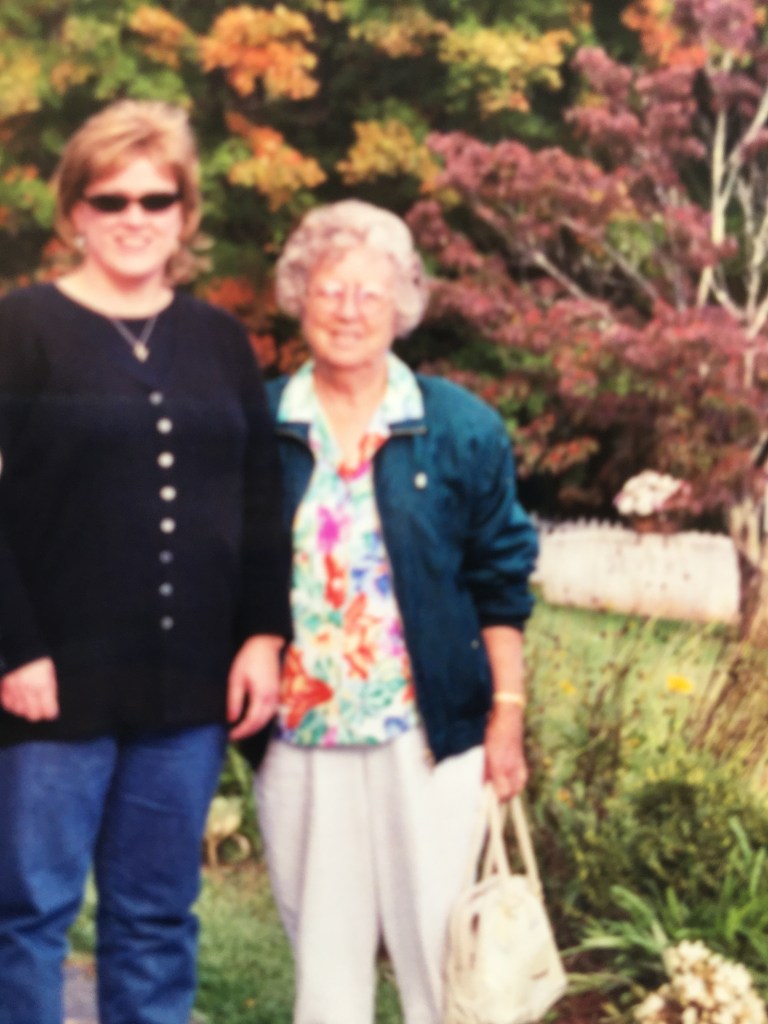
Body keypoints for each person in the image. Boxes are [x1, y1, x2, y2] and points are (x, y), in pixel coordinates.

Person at [0, 100, 291, 1024]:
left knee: (157, 916)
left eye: (156, 199)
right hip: (51, 684)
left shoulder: (219, 340)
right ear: (75, 212)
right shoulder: (21, 328)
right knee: (27, 913)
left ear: (184, 213)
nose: (135, 217)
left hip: (186, 688)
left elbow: (259, 499)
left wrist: (263, 635)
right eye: (111, 198)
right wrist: (14, 648)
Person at [249, 199, 539, 1024]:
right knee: (324, 958)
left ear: (403, 303)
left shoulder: (458, 427)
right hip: (299, 730)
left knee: (437, 951)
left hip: (427, 731)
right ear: (299, 296)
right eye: (329, 289)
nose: (348, 310)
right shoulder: (258, 423)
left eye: (369, 293)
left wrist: (507, 713)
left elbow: (500, 580)